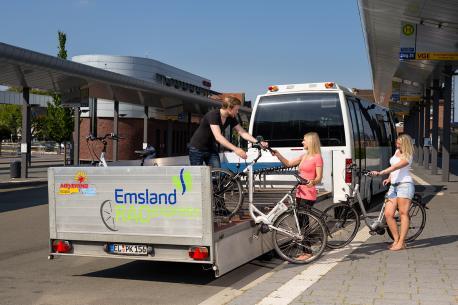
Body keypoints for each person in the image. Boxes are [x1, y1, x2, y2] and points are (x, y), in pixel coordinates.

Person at [271, 132, 323, 260]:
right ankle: (305, 250)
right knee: (300, 222)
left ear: (311, 142)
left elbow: (319, 177)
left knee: (303, 221)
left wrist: (313, 182)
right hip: (300, 192)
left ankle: (308, 252)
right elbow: (288, 163)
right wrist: (278, 154)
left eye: (304, 140)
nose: (302, 142)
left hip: (309, 193)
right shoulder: (304, 156)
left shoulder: (317, 157)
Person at [189, 96, 268, 167]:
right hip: (197, 148)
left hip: (211, 148)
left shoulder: (231, 117)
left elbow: (242, 132)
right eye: (236, 110)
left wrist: (258, 142)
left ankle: (215, 183)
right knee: (198, 177)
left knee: (217, 175)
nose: (237, 112)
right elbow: (218, 137)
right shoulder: (213, 115)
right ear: (229, 108)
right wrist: (236, 149)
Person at [370, 134, 414, 251]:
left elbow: (396, 167)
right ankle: (396, 239)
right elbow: (393, 166)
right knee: (389, 214)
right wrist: (389, 178)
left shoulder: (408, 156)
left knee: (403, 213)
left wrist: (381, 172)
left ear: (405, 144)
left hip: (405, 185)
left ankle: (401, 242)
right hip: (393, 186)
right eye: (397, 142)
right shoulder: (397, 151)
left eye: (399, 143)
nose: (397, 144)